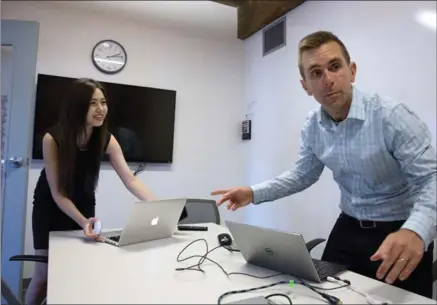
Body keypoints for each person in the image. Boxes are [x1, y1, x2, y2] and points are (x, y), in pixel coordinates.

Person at [211, 31, 436, 298]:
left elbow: (431, 179)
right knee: (324, 295)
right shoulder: (313, 125)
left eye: (335, 67)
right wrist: (254, 192)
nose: (328, 80)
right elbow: (303, 174)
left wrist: (416, 230)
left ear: (351, 71)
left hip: (399, 230)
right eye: (316, 73)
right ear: (305, 85)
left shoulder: (391, 116)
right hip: (348, 226)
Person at [26, 78, 156, 305]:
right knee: (43, 277)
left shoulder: (106, 138)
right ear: (78, 107)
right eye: (92, 103)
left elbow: (131, 180)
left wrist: (157, 205)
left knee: (79, 269)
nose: (101, 109)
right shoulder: (53, 139)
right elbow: (58, 194)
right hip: (51, 206)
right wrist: (82, 221)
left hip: (85, 202)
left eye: (103, 102)